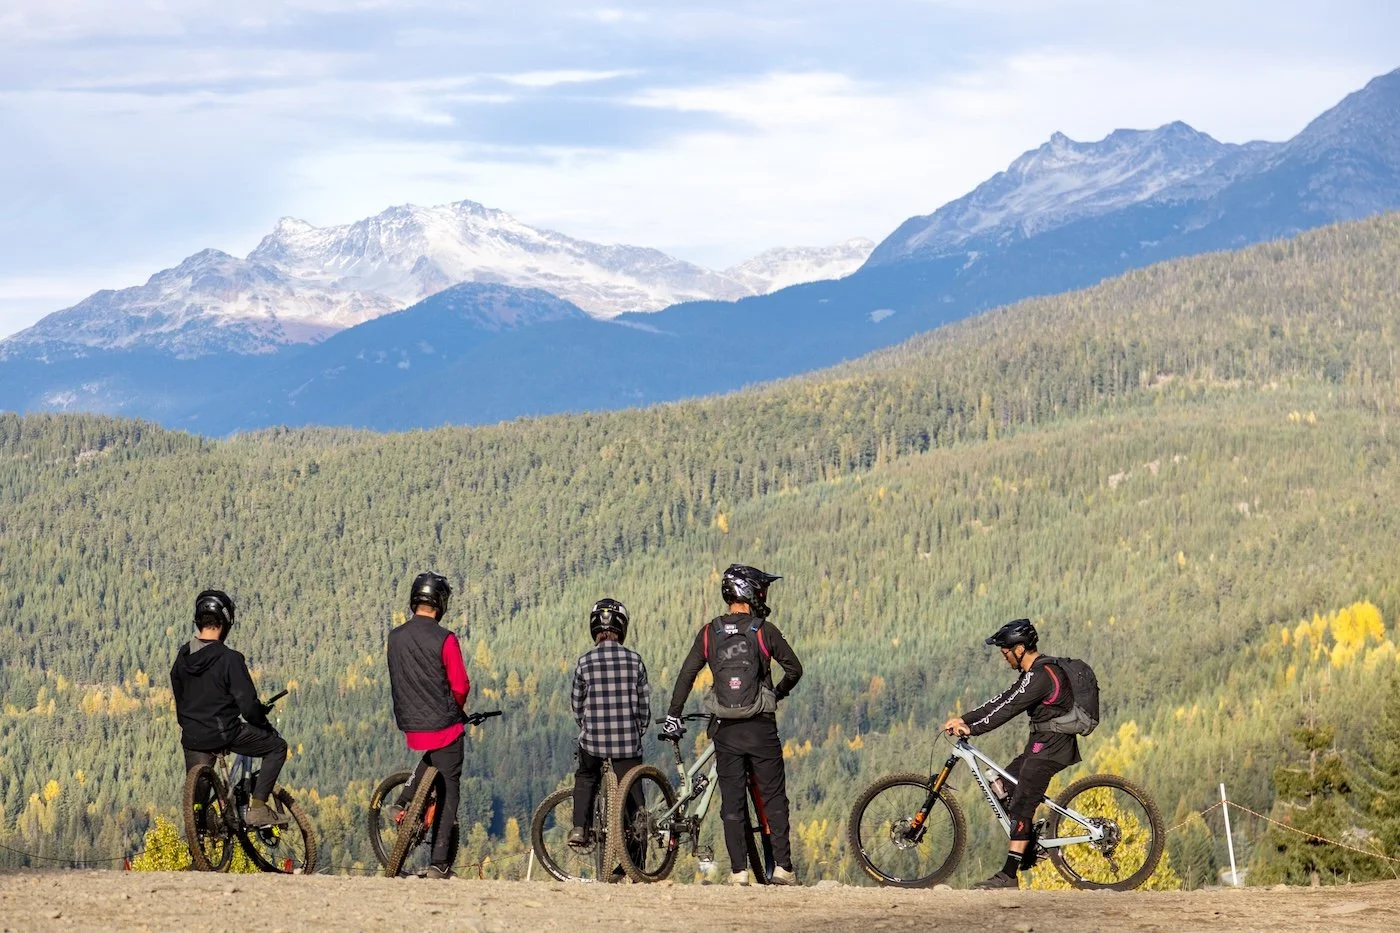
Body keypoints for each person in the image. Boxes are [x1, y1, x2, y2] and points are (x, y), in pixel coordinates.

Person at [663, 565, 803, 886]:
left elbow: (687, 674)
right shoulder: (763, 631)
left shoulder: (710, 632)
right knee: (774, 797)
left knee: (732, 802)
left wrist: (675, 712)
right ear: (751, 592)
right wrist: (775, 694)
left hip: (726, 728)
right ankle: (783, 868)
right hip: (760, 728)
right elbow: (794, 669)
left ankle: (739, 873)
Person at [942, 619, 1079, 890]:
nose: (1004, 657)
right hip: (1042, 744)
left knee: (1021, 806)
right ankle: (1027, 845)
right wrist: (964, 718)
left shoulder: (1041, 675)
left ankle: (1009, 875)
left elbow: (1010, 709)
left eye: (1005, 652)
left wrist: (973, 728)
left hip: (1051, 747)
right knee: (1001, 785)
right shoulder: (1033, 674)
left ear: (1019, 649)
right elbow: (1001, 700)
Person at [170, 589, 289, 828]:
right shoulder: (230, 658)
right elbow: (248, 707)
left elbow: (180, 696)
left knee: (197, 802)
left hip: (192, 737)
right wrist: (263, 725)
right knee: (277, 747)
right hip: (225, 733)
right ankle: (257, 809)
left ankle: (198, 844)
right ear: (225, 623)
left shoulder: (182, 657)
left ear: (198, 620)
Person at [386, 571, 471, 880]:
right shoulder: (445, 639)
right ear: (441, 603)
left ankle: (404, 800)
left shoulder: (395, 637)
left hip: (410, 721)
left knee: (435, 752)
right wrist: (455, 709)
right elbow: (461, 685)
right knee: (450, 790)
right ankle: (438, 862)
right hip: (442, 722)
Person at [567, 598, 651, 880]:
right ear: (622, 629)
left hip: (593, 743)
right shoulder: (635, 660)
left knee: (586, 777)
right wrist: (636, 730)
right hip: (627, 745)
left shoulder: (584, 662)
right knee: (634, 803)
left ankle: (580, 827)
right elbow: (643, 708)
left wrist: (588, 727)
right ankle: (634, 864)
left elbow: (577, 706)